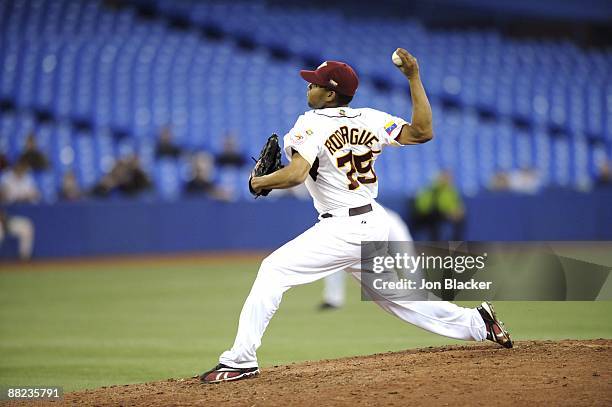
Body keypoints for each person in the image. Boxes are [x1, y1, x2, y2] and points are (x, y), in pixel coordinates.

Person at [200, 49, 512, 384]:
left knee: (273, 270)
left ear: (330, 93)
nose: (308, 88)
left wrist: (257, 181)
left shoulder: (310, 123)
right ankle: (478, 322)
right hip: (371, 221)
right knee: (398, 298)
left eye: (315, 84)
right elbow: (422, 131)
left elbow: (295, 175)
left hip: (343, 227)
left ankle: (240, 360)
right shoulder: (370, 118)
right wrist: (413, 78)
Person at [320, 206, 412, 310]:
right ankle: (332, 299)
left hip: (385, 222)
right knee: (336, 257)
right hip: (354, 225)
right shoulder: (338, 217)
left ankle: (417, 293)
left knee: (406, 258)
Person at [411, 170, 465, 241]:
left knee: (460, 220)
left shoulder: (451, 190)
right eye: (446, 177)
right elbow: (424, 207)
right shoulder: (431, 188)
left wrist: (457, 211)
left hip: (444, 216)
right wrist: (448, 212)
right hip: (426, 216)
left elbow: (456, 204)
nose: (448, 180)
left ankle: (456, 245)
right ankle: (436, 245)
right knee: (435, 218)